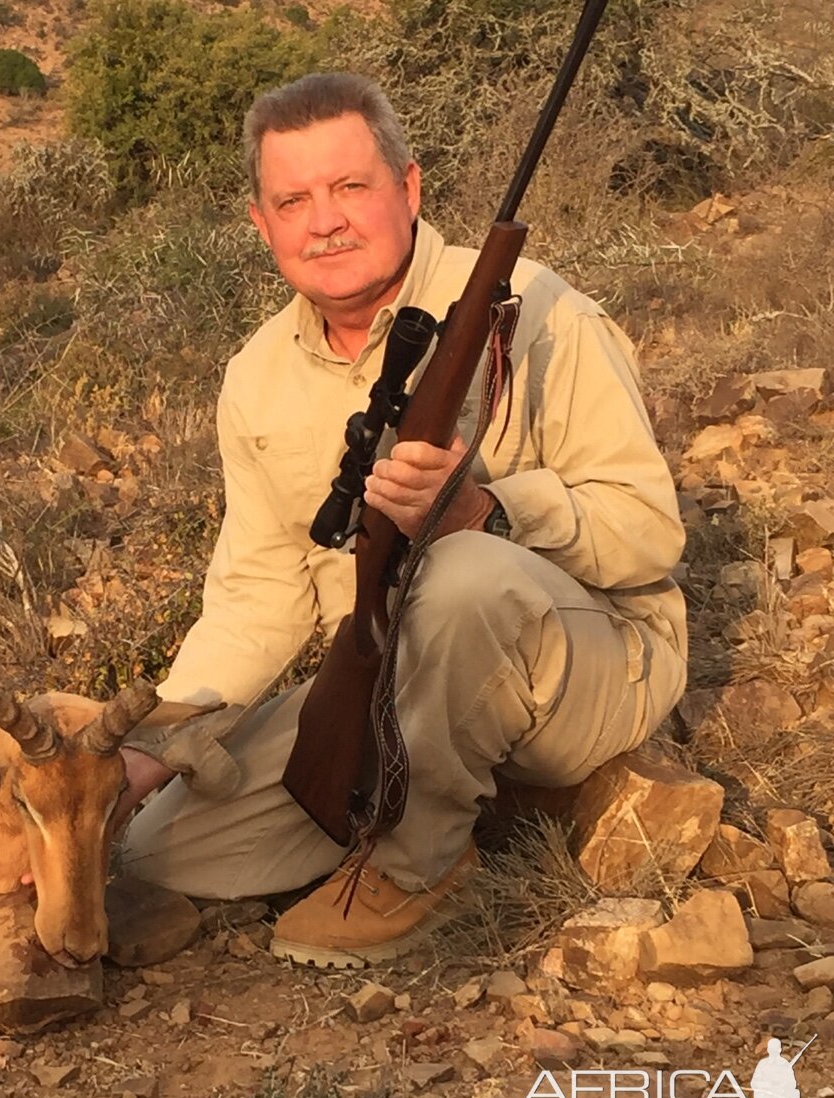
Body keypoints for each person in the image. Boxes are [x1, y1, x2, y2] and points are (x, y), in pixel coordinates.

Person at [108, 72, 689, 970]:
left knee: (461, 576)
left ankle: (421, 869)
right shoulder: (255, 376)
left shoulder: (541, 311)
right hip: (393, 674)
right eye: (293, 200)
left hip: (595, 660)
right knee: (156, 850)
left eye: (350, 188)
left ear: (408, 189)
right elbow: (259, 595)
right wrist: (152, 747)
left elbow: (649, 534)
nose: (324, 221)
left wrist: (489, 510)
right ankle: (468, 787)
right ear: (261, 225)